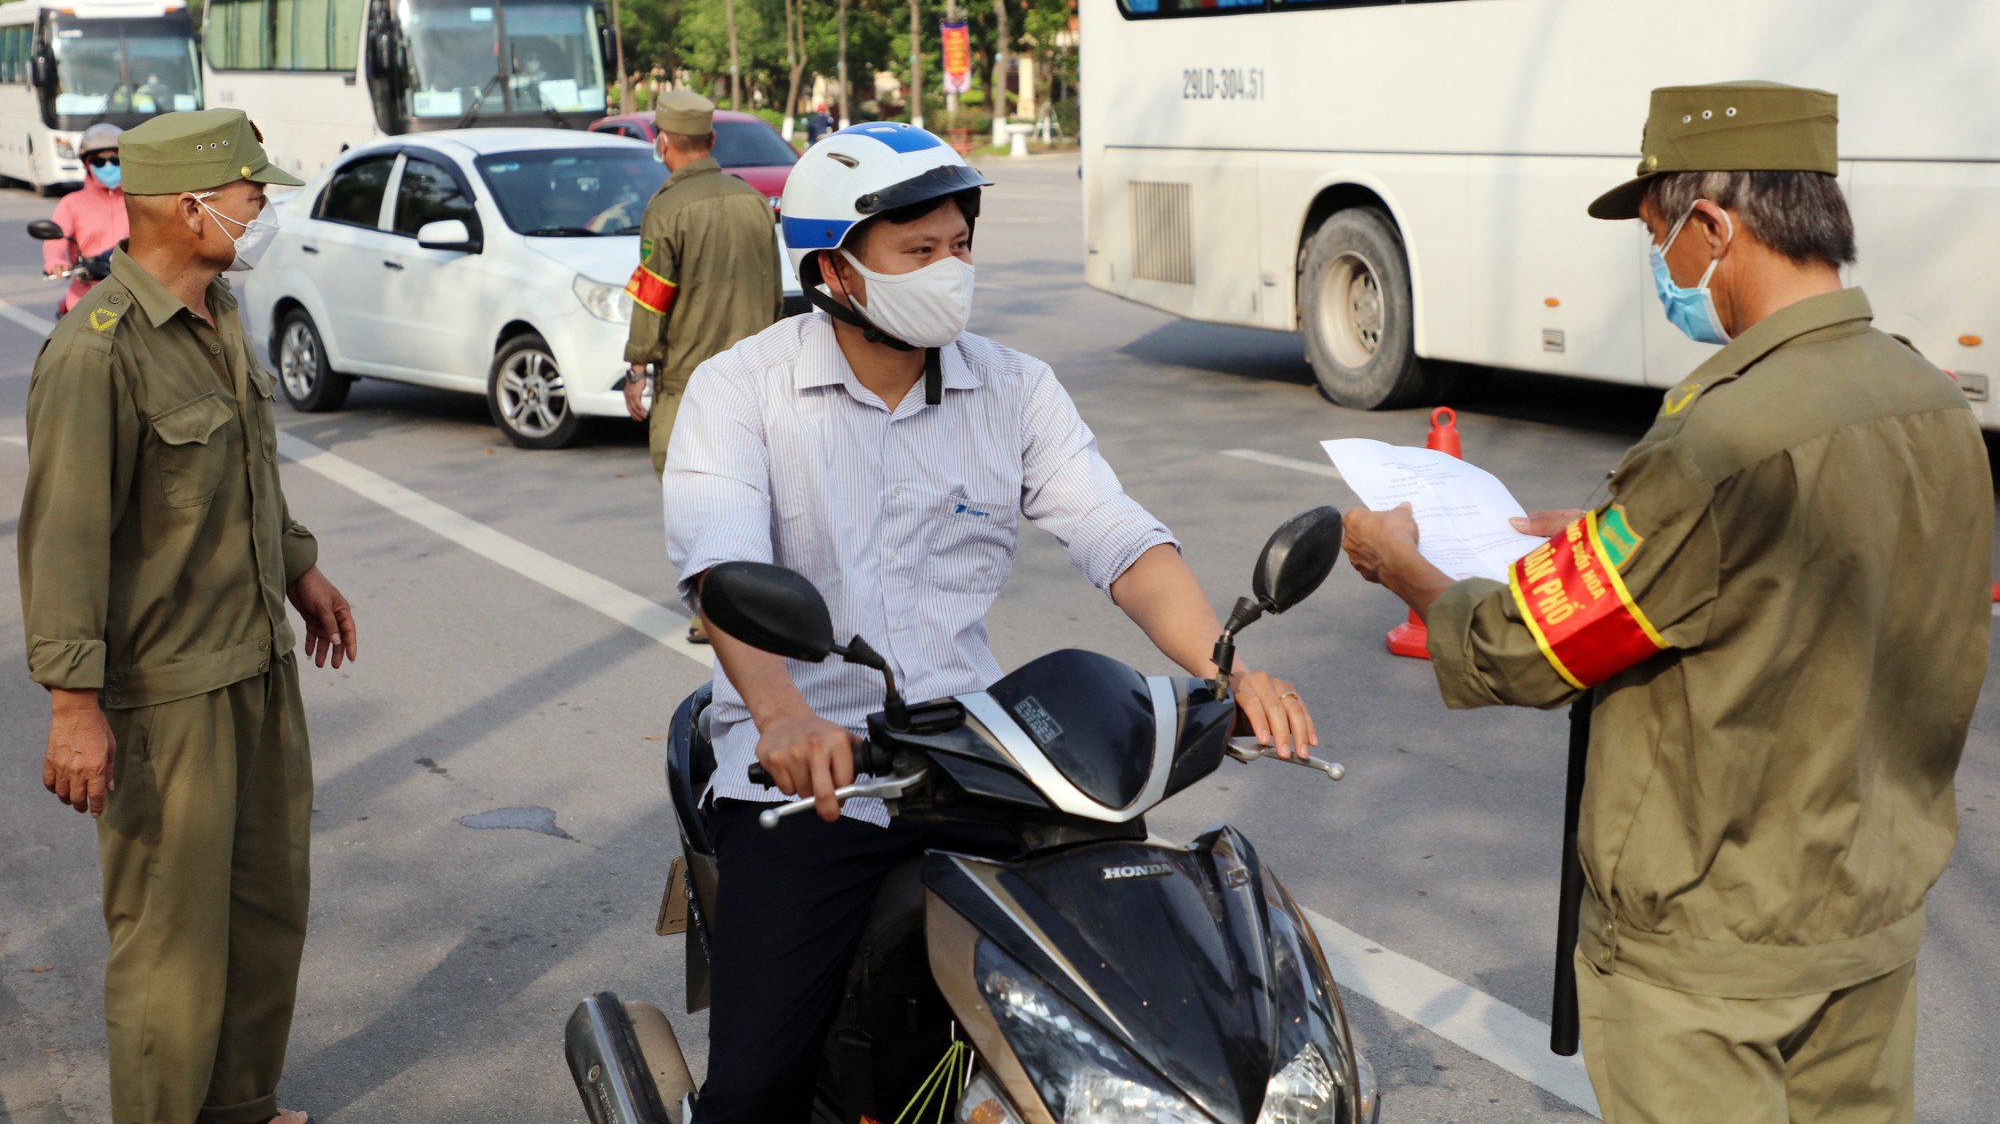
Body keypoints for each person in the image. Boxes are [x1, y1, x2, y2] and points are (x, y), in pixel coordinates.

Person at [1339, 82, 1991, 1124]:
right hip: (1867, 921)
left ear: (1710, 227)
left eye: (1656, 240)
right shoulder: (1927, 401)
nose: (1661, 270)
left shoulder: (1715, 442)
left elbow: (1522, 649)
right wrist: (1601, 534)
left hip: (1710, 956)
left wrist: (1401, 566)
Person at [663, 122, 1319, 1123]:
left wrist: (1225, 669)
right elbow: (724, 569)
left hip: (980, 763)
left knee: (1137, 1019)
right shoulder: (738, 391)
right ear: (833, 270)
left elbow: (1117, 538)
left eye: (959, 244)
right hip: (815, 781)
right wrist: (784, 715)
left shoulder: (1014, 389)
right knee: (754, 1091)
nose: (950, 270)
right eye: (918, 252)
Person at [21, 108, 361, 1124]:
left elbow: (246, 475)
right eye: (250, 192)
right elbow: (65, 536)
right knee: (171, 943)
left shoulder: (221, 316)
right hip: (165, 694)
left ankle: (238, 1106)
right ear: (186, 207)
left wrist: (301, 571)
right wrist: (73, 707)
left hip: (253, 663)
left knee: (263, 909)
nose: (260, 208)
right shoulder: (98, 352)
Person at [621, 89, 782, 495]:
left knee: (690, 497)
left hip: (687, 380)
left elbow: (652, 299)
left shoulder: (665, 208)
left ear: (661, 141)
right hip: (753, 379)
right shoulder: (754, 200)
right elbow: (774, 292)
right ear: (711, 141)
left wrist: (637, 370)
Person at [45, 122, 125, 315]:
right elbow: (56, 238)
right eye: (99, 161)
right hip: (86, 294)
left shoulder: (139, 200)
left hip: (134, 290)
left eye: (115, 160)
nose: (108, 166)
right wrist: (54, 260)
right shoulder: (71, 203)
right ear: (87, 165)